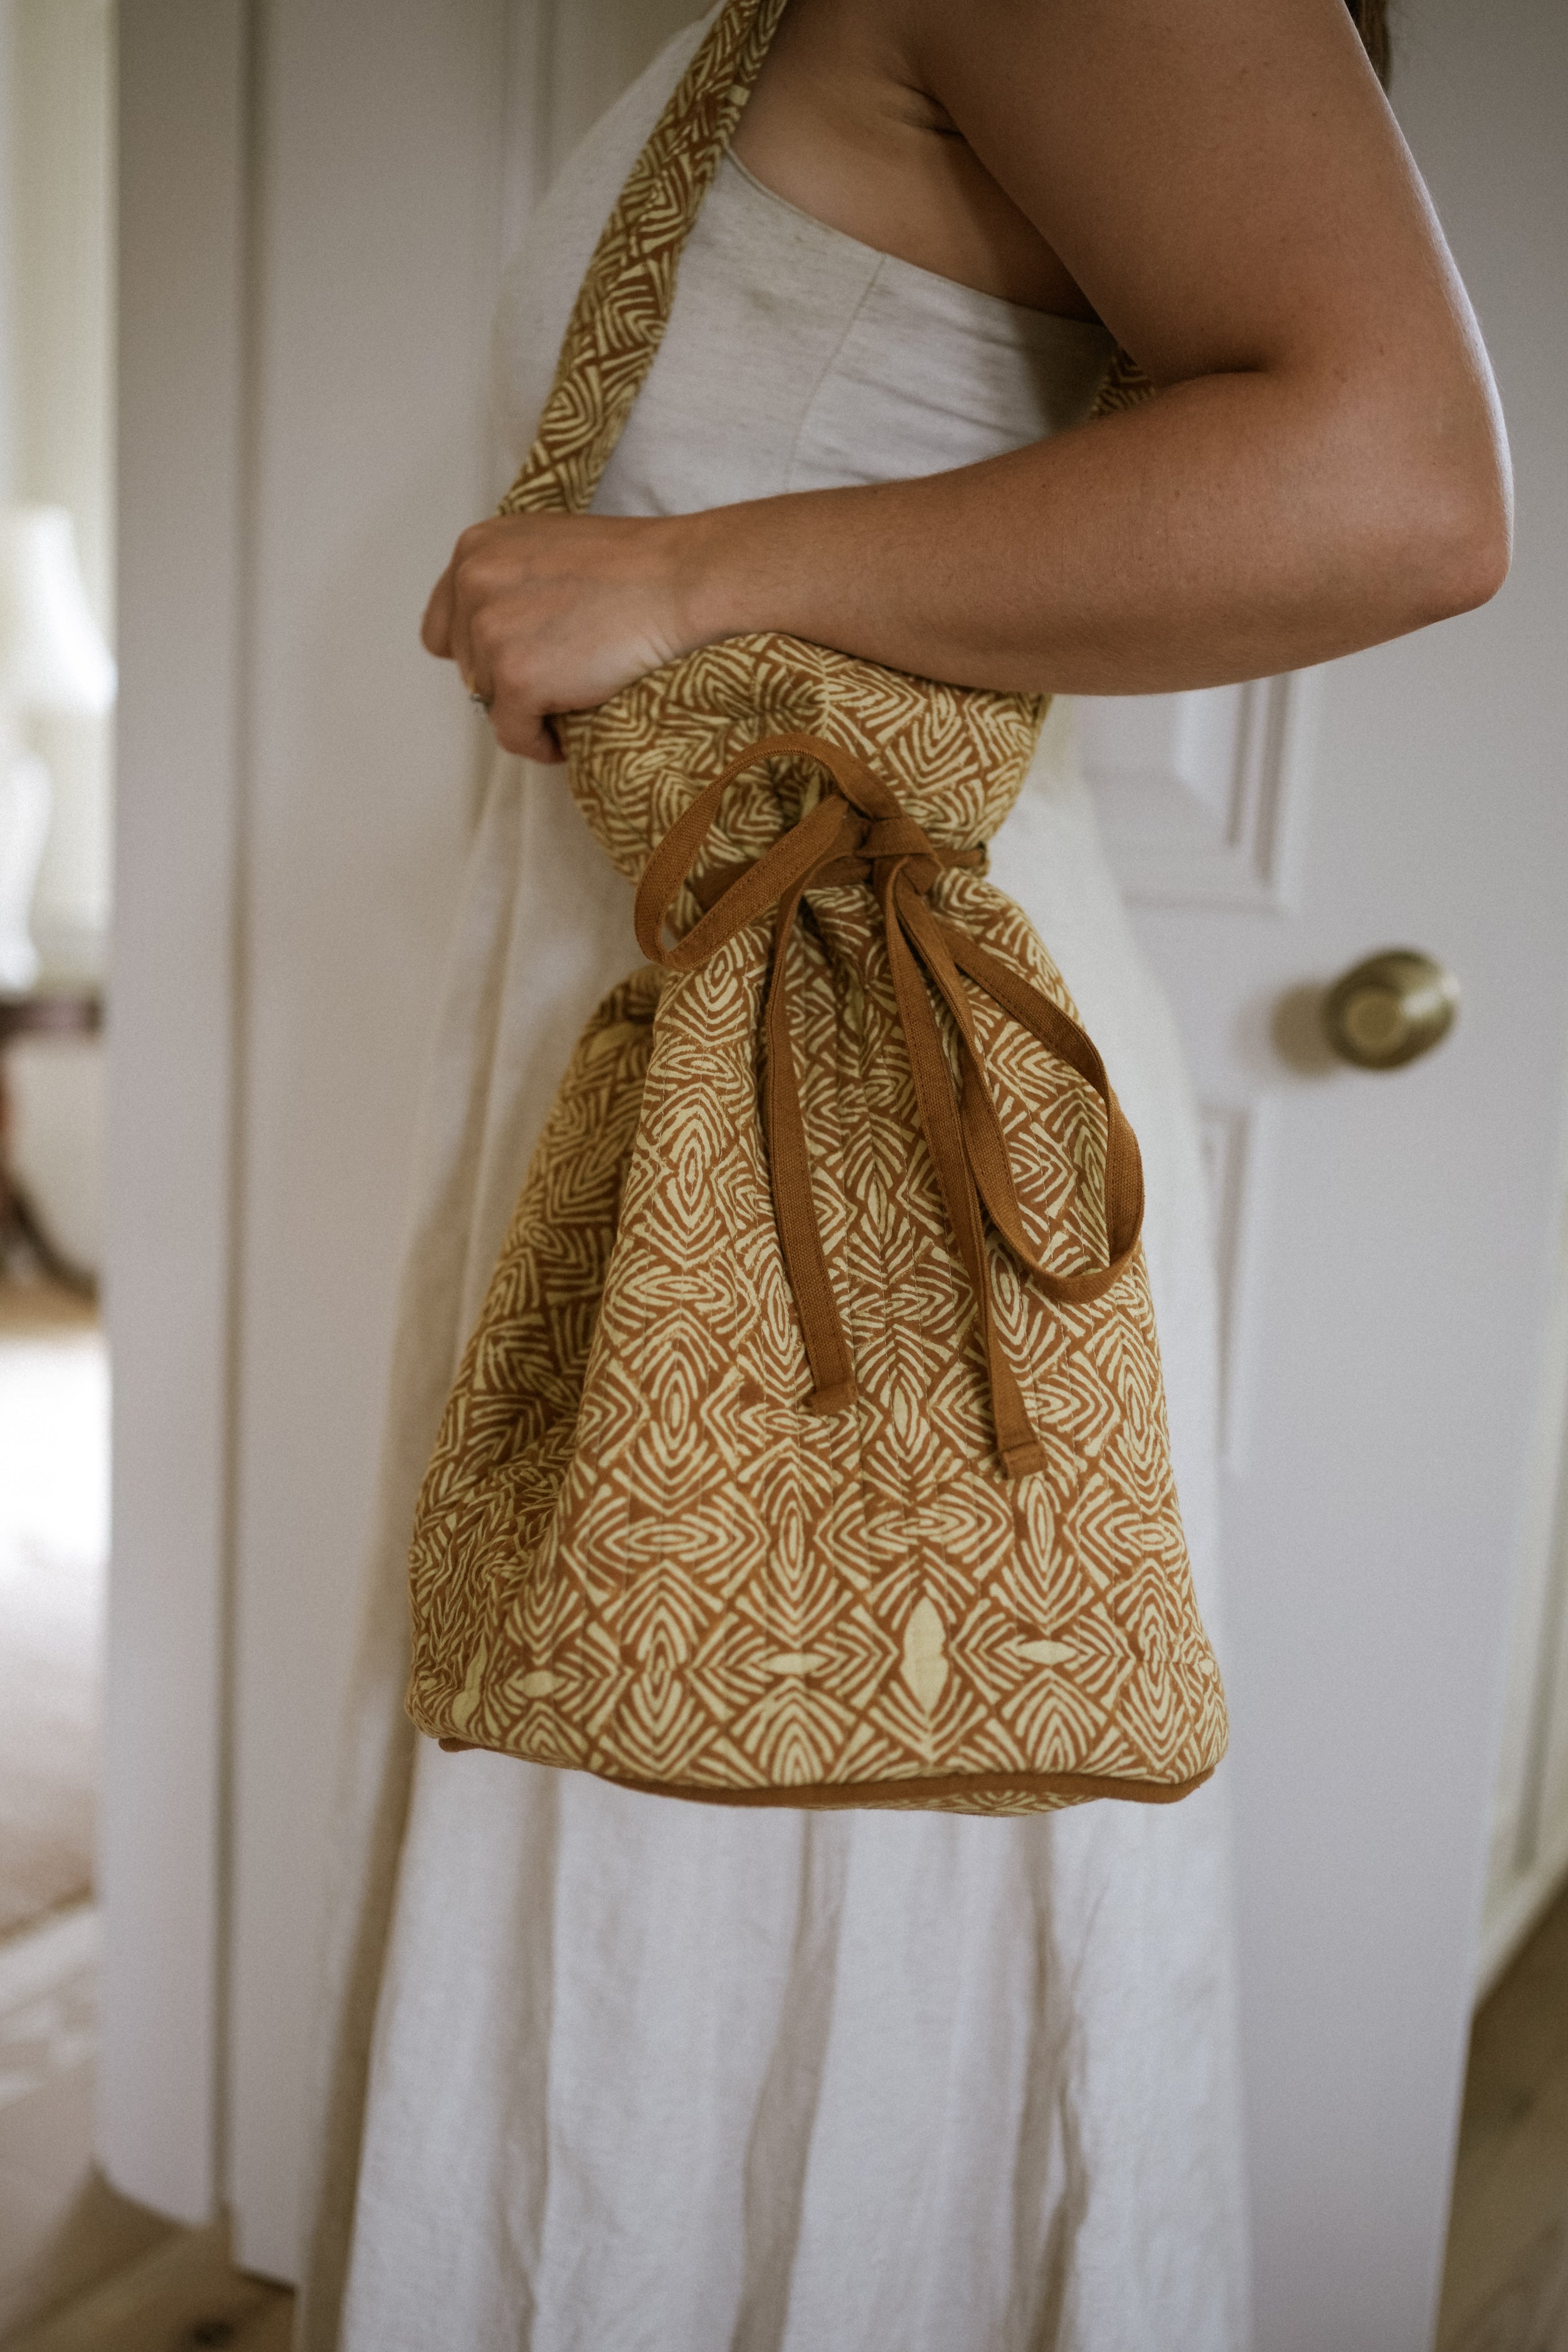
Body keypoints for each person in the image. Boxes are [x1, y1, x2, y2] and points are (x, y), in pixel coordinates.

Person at [300, 4, 1508, 2347]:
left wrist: (682, 581)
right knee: (613, 1852)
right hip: (654, 1074)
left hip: (844, 1134)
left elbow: (1398, 484)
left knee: (815, 1918)